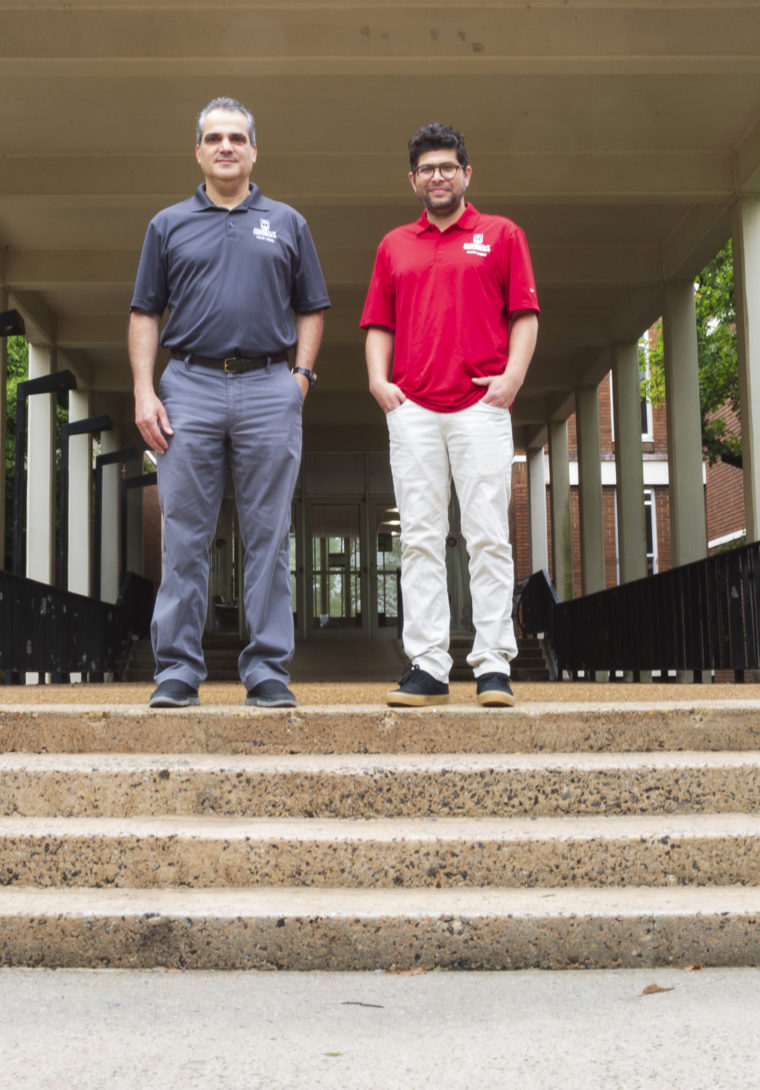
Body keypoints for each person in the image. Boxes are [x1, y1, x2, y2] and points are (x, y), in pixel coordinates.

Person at [129, 98, 327, 710]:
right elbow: (145, 313)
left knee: (270, 533)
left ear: (253, 150)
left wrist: (300, 378)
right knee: (185, 531)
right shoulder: (167, 225)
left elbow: (312, 307)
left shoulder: (288, 223)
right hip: (189, 384)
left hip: (270, 384)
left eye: (236, 138)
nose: (225, 147)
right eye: (214, 137)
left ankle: (267, 670)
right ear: (198, 151)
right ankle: (178, 672)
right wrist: (144, 390)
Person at [361, 122, 539, 707]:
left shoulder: (502, 234)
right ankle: (429, 667)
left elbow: (524, 314)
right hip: (413, 409)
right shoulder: (394, 245)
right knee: (419, 539)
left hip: (481, 409)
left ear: (467, 174)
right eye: (427, 169)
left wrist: (512, 378)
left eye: (448, 167)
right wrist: (379, 383)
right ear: (413, 180)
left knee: (488, 537)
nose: (438, 177)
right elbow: (378, 324)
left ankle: (493, 666)